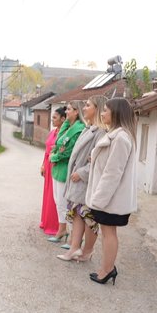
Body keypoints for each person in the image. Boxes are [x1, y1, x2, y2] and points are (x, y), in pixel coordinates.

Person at [86, 97, 138, 285]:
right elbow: (109, 165)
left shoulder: (121, 137)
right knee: (107, 232)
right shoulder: (116, 134)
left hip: (110, 198)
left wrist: (98, 199)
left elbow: (113, 172)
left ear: (116, 113)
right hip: (108, 197)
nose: (102, 113)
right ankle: (106, 268)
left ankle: (107, 270)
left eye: (105, 110)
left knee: (109, 233)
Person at [57, 96, 107, 262]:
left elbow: (99, 159)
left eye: (87, 105)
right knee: (77, 214)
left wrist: (83, 172)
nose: (84, 108)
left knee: (88, 218)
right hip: (79, 180)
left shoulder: (101, 132)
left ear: (97, 109)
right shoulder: (89, 128)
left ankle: (87, 251)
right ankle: (74, 249)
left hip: (88, 181)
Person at [47, 100, 86, 248]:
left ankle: (73, 236)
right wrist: (56, 152)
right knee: (59, 202)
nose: (66, 111)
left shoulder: (78, 129)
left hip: (65, 169)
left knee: (66, 204)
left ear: (77, 112)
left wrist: (54, 157)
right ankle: (61, 230)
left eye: (69, 109)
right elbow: (58, 143)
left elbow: (68, 151)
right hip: (58, 169)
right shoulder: (68, 126)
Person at [40, 106, 66, 235]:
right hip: (48, 165)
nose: (52, 120)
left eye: (54, 118)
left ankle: (55, 226)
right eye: (52, 118)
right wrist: (43, 165)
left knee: (55, 197)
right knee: (47, 194)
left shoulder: (64, 134)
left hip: (56, 166)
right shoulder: (52, 132)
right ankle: (45, 221)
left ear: (63, 119)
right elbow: (46, 151)